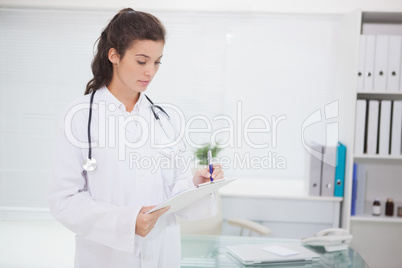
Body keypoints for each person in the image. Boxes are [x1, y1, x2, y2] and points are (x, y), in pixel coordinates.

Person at [48, 8, 223, 268]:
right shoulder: (80, 116)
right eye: (142, 61)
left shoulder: (166, 118)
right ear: (114, 55)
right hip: (105, 258)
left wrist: (196, 184)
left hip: (162, 253)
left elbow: (172, 190)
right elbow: (64, 200)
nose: (150, 72)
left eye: (157, 62)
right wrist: (127, 222)